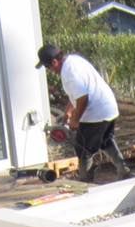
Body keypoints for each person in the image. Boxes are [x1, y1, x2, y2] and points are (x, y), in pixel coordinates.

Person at [35, 44, 130, 181]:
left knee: (84, 149)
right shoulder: (73, 60)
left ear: (54, 62)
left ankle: (85, 182)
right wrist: (68, 111)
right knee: (105, 140)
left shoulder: (69, 73)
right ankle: (123, 170)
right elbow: (77, 94)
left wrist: (75, 120)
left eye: (48, 67)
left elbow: (83, 99)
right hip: (108, 108)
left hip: (96, 113)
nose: (49, 70)